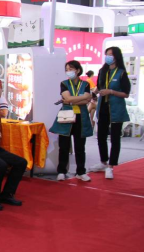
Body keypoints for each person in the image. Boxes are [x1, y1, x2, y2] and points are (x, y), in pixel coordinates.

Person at [90, 47, 131, 179]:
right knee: (101, 136)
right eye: (106, 54)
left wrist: (111, 92)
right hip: (103, 107)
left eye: (110, 55)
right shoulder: (102, 71)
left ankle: (111, 166)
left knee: (115, 138)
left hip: (116, 108)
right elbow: (99, 87)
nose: (108, 57)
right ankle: (103, 162)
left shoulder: (121, 73)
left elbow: (126, 94)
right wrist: (94, 93)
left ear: (116, 56)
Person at [49, 60, 93, 182]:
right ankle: (61, 171)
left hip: (81, 117)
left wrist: (71, 100)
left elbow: (86, 101)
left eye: (71, 69)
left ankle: (81, 171)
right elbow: (68, 98)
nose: (68, 71)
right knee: (64, 146)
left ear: (78, 70)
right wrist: (82, 97)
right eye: (67, 69)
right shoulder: (64, 83)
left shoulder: (85, 84)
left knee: (80, 147)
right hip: (66, 115)